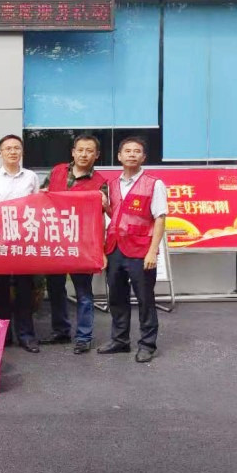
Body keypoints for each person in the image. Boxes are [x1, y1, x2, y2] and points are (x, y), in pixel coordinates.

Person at [97, 136, 167, 363]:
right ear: (119, 156)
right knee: (117, 297)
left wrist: (152, 251)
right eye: (127, 151)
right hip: (115, 248)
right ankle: (120, 340)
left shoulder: (154, 184)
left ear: (143, 157)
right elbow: (116, 215)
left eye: (137, 151)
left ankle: (147, 344)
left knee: (145, 299)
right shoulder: (111, 184)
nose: (132, 155)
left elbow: (160, 219)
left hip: (141, 250)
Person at [40, 133, 109, 354]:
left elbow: (103, 215)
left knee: (83, 292)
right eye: (80, 150)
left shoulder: (101, 183)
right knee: (55, 288)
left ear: (97, 155)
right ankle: (60, 330)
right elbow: (42, 196)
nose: (84, 154)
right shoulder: (57, 171)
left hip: (82, 243)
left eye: (89, 151)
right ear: (73, 152)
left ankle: (83, 336)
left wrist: (100, 248)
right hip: (55, 240)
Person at [0, 134, 41, 353]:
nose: (13, 152)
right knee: (2, 290)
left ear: (22, 152)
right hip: (0, 242)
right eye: (8, 148)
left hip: (24, 241)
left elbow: (37, 206)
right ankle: (3, 335)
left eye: (17, 148)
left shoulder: (31, 177)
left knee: (25, 289)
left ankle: (26, 335)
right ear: (0, 153)